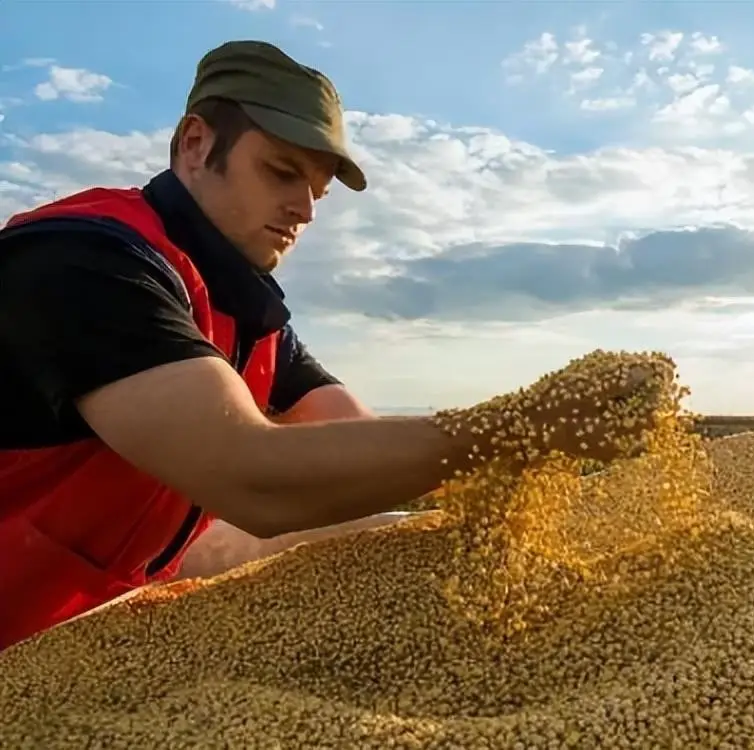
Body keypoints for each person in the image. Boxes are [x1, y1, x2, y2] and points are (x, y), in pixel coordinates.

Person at [0, 40, 656, 651]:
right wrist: (527, 425)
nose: (305, 210)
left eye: (315, 191)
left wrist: (510, 471)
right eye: (282, 172)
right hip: (23, 645)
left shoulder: (247, 312)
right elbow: (253, 478)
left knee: (393, 534)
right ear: (196, 144)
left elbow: (351, 444)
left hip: (95, 616)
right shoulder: (86, 262)